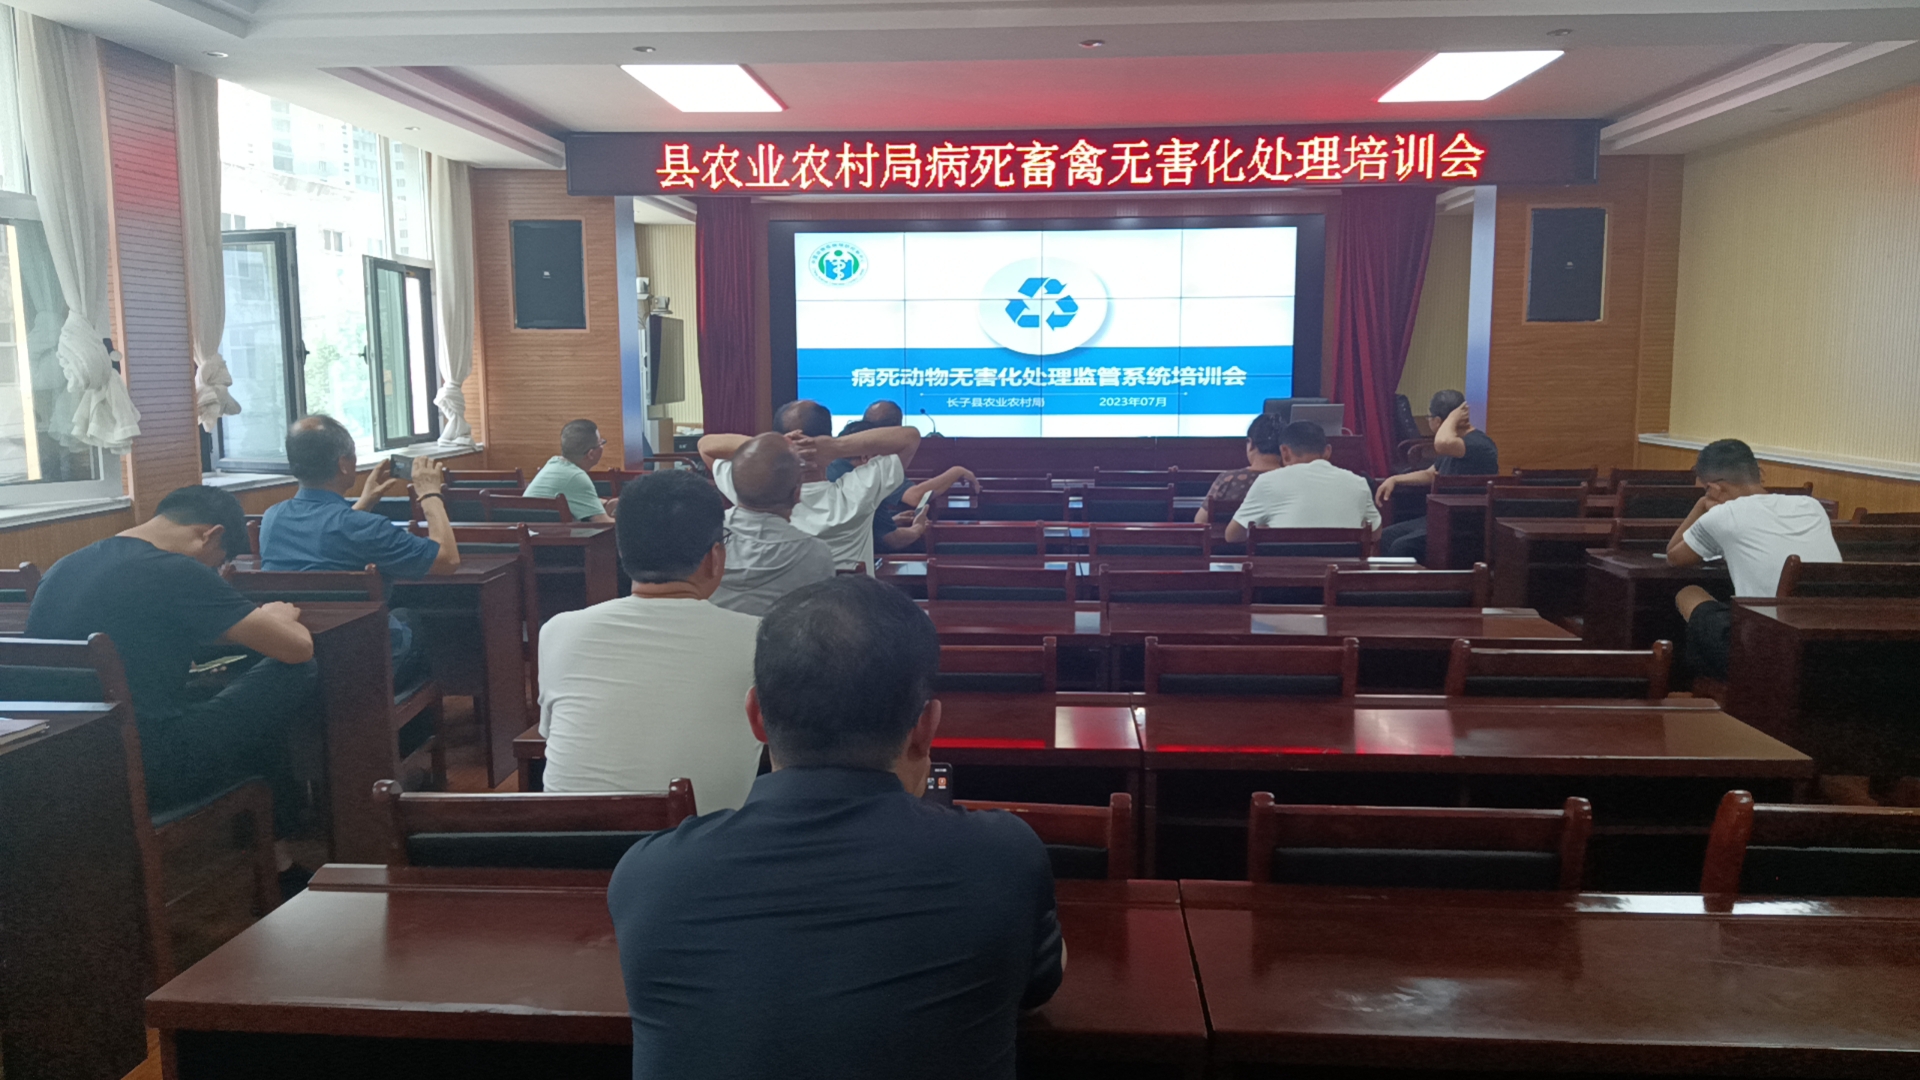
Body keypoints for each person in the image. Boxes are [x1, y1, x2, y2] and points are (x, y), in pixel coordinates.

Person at [608, 576, 1064, 1079]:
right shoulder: (1003, 856)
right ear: (926, 725)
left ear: (756, 716)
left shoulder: (649, 875)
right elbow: (1039, 985)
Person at [27, 486, 317, 829]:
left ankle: (272, 830)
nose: (215, 573)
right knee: (295, 669)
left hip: (60, 766)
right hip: (155, 767)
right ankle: (282, 831)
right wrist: (277, 617)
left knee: (224, 696)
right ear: (211, 535)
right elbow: (297, 648)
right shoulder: (175, 569)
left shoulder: (65, 566)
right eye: (217, 563)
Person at [537, 470, 764, 807]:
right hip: (704, 840)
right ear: (715, 557)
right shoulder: (761, 639)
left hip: (571, 837)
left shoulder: (558, 631)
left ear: (622, 551)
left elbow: (552, 735)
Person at [259, 415, 458, 688]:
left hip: (295, 658)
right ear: (343, 464)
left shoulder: (272, 518)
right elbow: (447, 559)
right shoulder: (365, 528)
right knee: (410, 618)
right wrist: (430, 494)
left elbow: (328, 538)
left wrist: (364, 503)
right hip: (364, 662)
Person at [1668, 439, 1840, 679]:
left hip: (1763, 652)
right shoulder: (1812, 507)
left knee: (1688, 593)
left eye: (1705, 490)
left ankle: (1690, 683)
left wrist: (1701, 506)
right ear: (1759, 473)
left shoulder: (1723, 514)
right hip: (1826, 647)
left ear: (1714, 488)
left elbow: (1674, 555)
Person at [699, 399, 921, 574]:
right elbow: (910, 437)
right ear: (826, 437)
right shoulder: (858, 493)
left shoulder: (756, 489)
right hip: (850, 612)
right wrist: (836, 446)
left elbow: (705, 445)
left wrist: (776, 446)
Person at [709, 433, 835, 617]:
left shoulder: (702, 538)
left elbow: (705, 444)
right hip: (778, 636)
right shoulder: (817, 554)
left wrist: (768, 447)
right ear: (797, 495)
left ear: (732, 488)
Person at [1372, 390, 1500, 561]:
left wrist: (1451, 418)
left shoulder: (1479, 444)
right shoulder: (1455, 443)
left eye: (1429, 417)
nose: (1428, 420)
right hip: (1440, 518)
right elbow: (1431, 473)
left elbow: (1441, 443)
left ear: (1438, 421)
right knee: (1387, 537)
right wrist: (1394, 479)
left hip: (1462, 523)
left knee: (1401, 547)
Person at [831, 418, 976, 554]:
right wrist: (918, 528)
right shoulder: (867, 484)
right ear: (866, 457)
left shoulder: (831, 470)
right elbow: (893, 540)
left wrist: (890, 521)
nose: (886, 461)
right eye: (883, 456)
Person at [1225, 420, 1381, 542]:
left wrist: (1264, 531)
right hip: (1342, 573)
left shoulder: (1267, 481)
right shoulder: (1358, 483)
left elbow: (1232, 536)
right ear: (1327, 451)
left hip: (1284, 573)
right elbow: (1375, 533)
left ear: (1284, 451)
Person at [1195, 413, 1285, 524]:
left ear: (1250, 444)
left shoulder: (1228, 479)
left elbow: (1200, 521)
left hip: (1228, 535)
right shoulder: (1292, 480)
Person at [522, 418, 616, 523]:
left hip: (533, 532)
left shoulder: (554, 462)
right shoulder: (576, 476)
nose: (603, 445)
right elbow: (603, 523)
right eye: (601, 442)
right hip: (551, 534)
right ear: (591, 454)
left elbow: (574, 498)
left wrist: (607, 503)